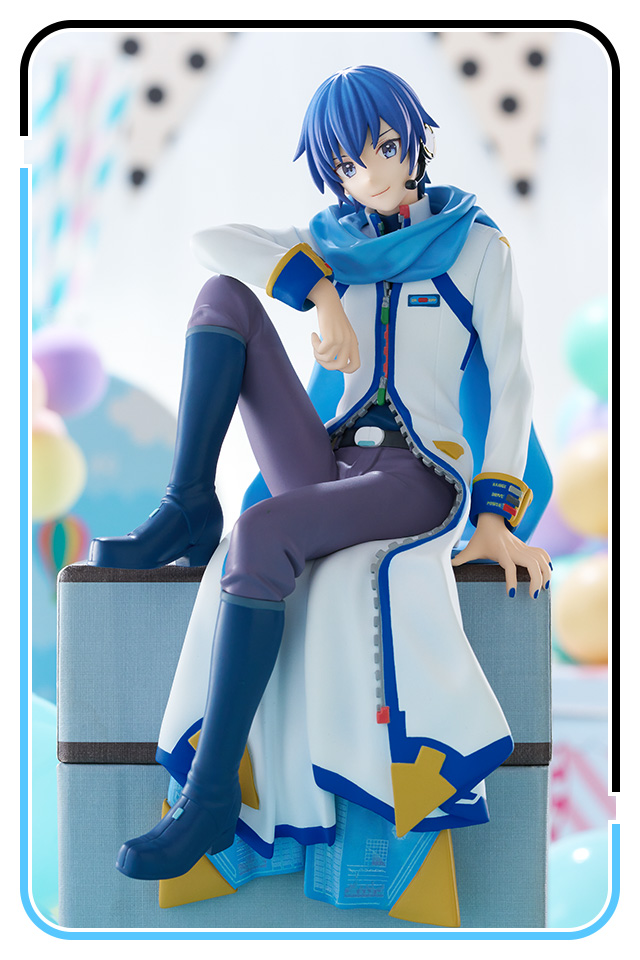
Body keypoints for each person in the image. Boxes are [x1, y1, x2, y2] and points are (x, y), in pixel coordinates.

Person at [90, 65, 551, 882]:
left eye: (384, 147)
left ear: (416, 140)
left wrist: (494, 518)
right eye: (346, 163)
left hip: (417, 474)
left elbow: (511, 384)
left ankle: (209, 799)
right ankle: (187, 502)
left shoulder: (479, 248)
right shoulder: (330, 245)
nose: (370, 174)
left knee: (262, 530)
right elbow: (212, 243)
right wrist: (321, 296)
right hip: (330, 459)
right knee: (222, 296)